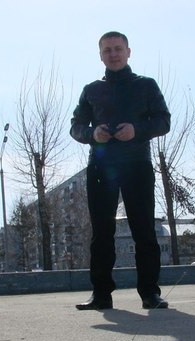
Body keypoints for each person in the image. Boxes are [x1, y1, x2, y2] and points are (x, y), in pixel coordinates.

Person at [70, 31, 171, 310]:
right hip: (101, 167)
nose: (113, 54)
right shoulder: (91, 90)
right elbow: (76, 127)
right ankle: (101, 295)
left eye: (117, 49)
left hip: (137, 165)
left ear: (128, 52)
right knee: (101, 233)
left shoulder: (146, 85)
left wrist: (136, 130)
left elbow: (164, 121)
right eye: (107, 50)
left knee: (144, 230)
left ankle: (150, 293)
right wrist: (93, 134)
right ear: (100, 55)